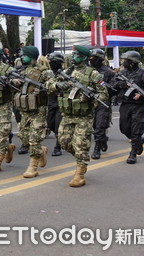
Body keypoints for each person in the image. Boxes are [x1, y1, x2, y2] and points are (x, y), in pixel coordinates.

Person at [47, 46, 108, 186]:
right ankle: (82, 158)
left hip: (84, 116)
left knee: (80, 144)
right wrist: (58, 85)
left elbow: (104, 94)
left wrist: (90, 97)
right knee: (64, 141)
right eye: (73, 53)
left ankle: (80, 173)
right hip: (67, 114)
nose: (73, 56)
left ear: (84, 57)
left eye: (77, 54)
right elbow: (49, 84)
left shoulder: (94, 74)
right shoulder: (67, 71)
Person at [10, 46, 54, 178]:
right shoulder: (21, 70)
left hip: (38, 109)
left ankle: (32, 167)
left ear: (32, 56)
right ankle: (41, 151)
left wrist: (45, 88)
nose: (22, 57)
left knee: (34, 139)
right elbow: (9, 81)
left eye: (24, 55)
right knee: (24, 137)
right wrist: (14, 81)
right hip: (24, 109)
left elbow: (52, 85)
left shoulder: (44, 71)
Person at [111, 51, 144, 164]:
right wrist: (124, 84)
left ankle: (133, 152)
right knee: (123, 128)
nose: (123, 62)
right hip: (125, 104)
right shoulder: (122, 73)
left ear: (132, 62)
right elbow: (113, 85)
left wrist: (141, 95)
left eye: (126, 60)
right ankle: (138, 141)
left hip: (138, 106)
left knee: (136, 128)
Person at [89, 49, 116, 159]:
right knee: (93, 126)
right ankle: (102, 140)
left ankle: (97, 149)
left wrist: (105, 89)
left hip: (103, 102)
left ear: (99, 59)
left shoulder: (108, 72)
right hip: (89, 101)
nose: (91, 60)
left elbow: (114, 89)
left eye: (93, 58)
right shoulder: (88, 71)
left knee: (99, 126)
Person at [46, 52, 65, 156]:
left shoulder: (65, 74)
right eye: (51, 62)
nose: (51, 64)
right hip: (50, 101)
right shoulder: (48, 73)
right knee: (50, 124)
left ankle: (58, 146)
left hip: (61, 102)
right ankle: (62, 136)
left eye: (54, 62)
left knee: (58, 125)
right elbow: (44, 84)